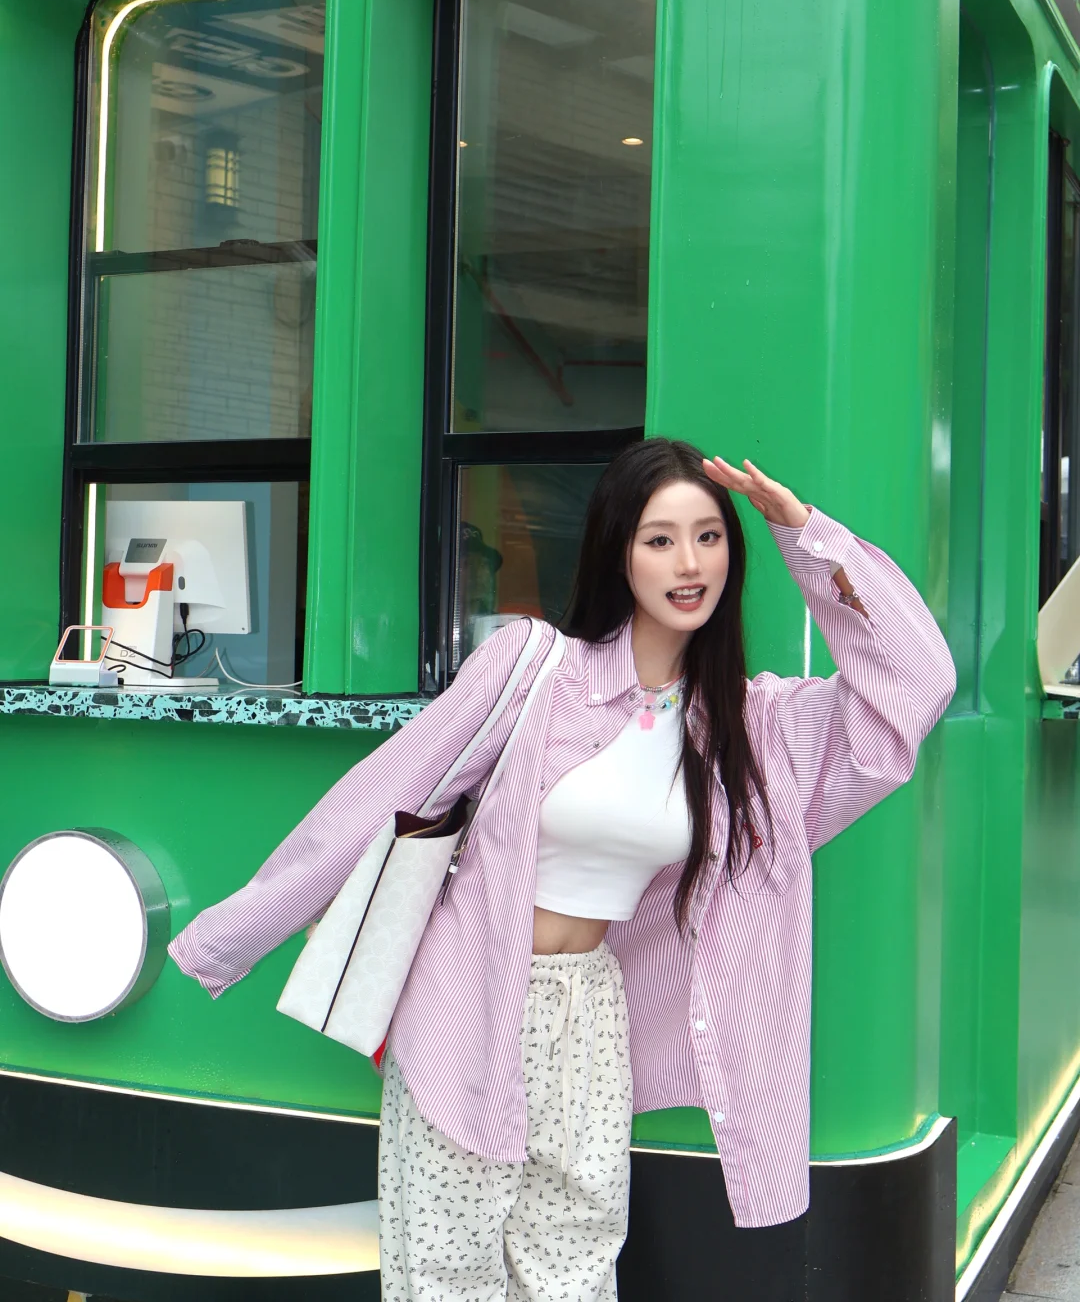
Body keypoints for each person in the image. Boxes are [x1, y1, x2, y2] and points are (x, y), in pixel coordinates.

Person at [168, 438, 956, 1302]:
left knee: (573, 1270)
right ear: (619, 552)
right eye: (660, 539)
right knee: (447, 1274)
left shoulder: (750, 726)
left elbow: (916, 685)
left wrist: (805, 533)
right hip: (468, 996)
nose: (689, 563)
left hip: (593, 1013)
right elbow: (379, 797)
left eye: (708, 536)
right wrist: (227, 939)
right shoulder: (534, 670)